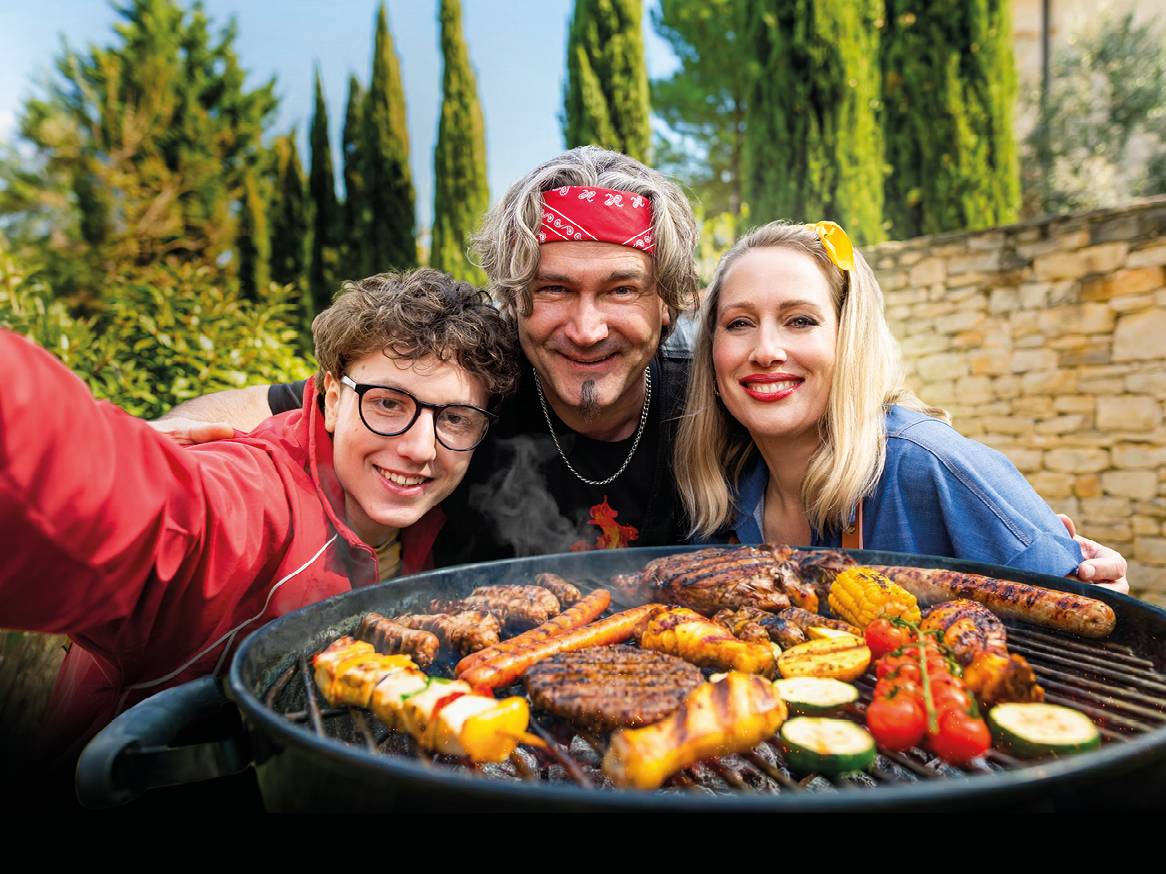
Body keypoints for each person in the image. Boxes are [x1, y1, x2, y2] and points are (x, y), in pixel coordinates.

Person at [158, 148, 1128, 587]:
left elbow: (860, 419)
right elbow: (299, 396)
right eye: (550, 289)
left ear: (671, 301)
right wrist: (158, 438)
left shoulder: (714, 388)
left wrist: (1039, 548)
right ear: (510, 300)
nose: (584, 325)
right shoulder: (471, 385)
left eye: (619, 288)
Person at [0, 269, 518, 750]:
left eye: (454, 418)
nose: (420, 448)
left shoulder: (442, 524)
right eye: (388, 403)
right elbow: (118, 507)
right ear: (332, 399)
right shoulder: (255, 498)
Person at [675, 221, 1128, 591]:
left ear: (849, 337)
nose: (766, 349)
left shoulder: (932, 467)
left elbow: (1089, 620)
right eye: (739, 323)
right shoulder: (726, 497)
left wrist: (1089, 584)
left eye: (800, 320)